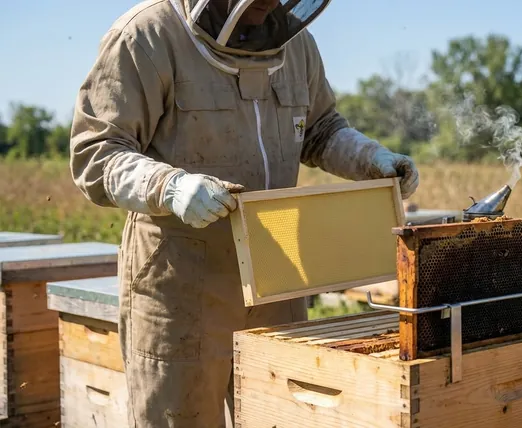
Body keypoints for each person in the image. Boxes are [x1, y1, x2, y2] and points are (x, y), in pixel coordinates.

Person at [68, 0, 419, 426]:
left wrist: (369, 158)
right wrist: (169, 186)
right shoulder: (148, 36)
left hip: (279, 272)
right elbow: (96, 153)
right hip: (179, 285)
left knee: (280, 415)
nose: (271, 6)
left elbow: (321, 130)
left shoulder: (296, 44)